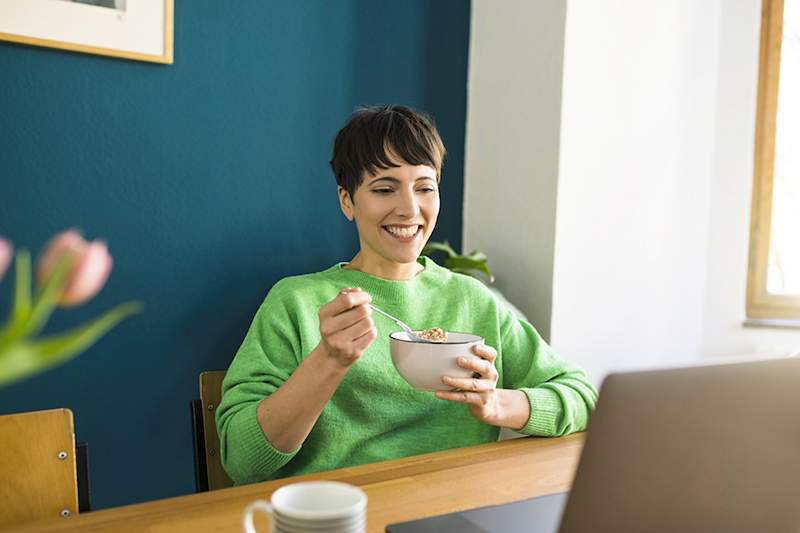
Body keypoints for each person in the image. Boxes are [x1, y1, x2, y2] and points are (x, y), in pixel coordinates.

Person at [216, 105, 597, 485]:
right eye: (384, 189)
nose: (409, 209)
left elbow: (583, 396)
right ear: (347, 200)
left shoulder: (471, 300)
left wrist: (498, 404)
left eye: (425, 188)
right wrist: (328, 361)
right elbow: (242, 460)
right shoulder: (295, 302)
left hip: (450, 512)